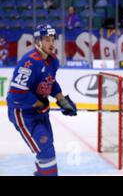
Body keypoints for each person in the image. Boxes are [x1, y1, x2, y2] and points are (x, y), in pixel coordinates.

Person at [6, 24, 77, 176]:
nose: (51, 43)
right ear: (38, 41)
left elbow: (51, 82)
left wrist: (62, 100)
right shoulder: (29, 63)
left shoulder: (53, 61)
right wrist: (39, 104)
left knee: (47, 148)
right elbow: (16, 93)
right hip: (23, 113)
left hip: (39, 112)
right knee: (46, 151)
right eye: (47, 40)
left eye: (53, 40)